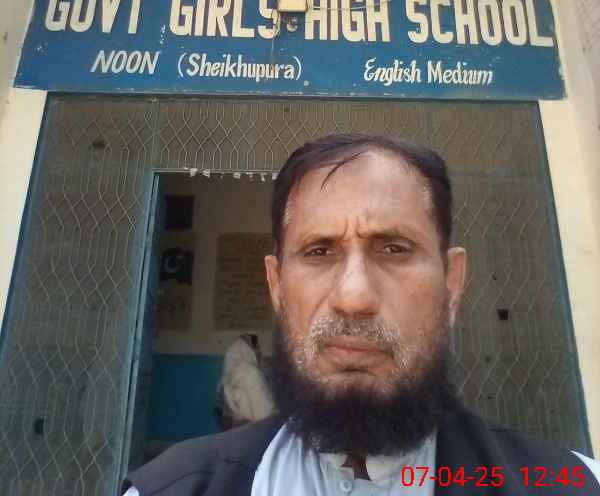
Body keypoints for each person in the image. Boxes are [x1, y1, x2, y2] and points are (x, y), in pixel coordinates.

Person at [121, 133, 600, 495]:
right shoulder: (171, 488)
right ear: (277, 287)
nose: (353, 297)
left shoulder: (575, 484)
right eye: (319, 251)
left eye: (394, 249)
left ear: (452, 284)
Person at [216, 333, 274, 429]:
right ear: (247, 351)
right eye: (256, 349)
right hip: (257, 430)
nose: (259, 353)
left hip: (237, 431)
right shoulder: (251, 374)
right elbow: (264, 414)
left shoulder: (225, 382)